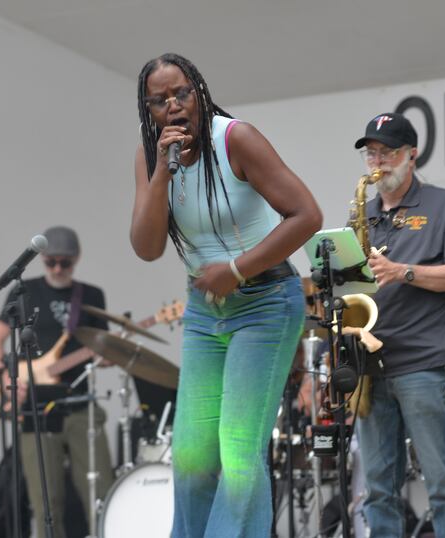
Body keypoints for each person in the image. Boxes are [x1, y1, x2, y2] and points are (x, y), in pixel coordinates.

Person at [130, 53, 322, 537]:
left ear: (199, 91)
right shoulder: (152, 156)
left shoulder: (236, 138)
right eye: (160, 100)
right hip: (204, 311)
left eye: (182, 93)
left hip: (265, 302)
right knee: (192, 453)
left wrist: (236, 269)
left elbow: (307, 215)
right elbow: (148, 248)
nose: (174, 105)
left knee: (237, 449)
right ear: (149, 109)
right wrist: (160, 177)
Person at [353, 112, 445, 538]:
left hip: (424, 363)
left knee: (443, 482)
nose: (378, 163)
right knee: (377, 489)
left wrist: (403, 271)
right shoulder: (362, 214)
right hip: (370, 365)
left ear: (412, 155)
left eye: (388, 153)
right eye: (372, 154)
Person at [0, 225, 114, 538]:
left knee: (101, 493)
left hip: (80, 403)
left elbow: (105, 350)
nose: (58, 268)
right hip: (37, 409)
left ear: (76, 259)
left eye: (65, 263)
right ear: (42, 259)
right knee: (46, 502)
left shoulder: (91, 296)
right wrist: (5, 375)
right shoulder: (24, 291)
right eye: (51, 262)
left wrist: (112, 355)